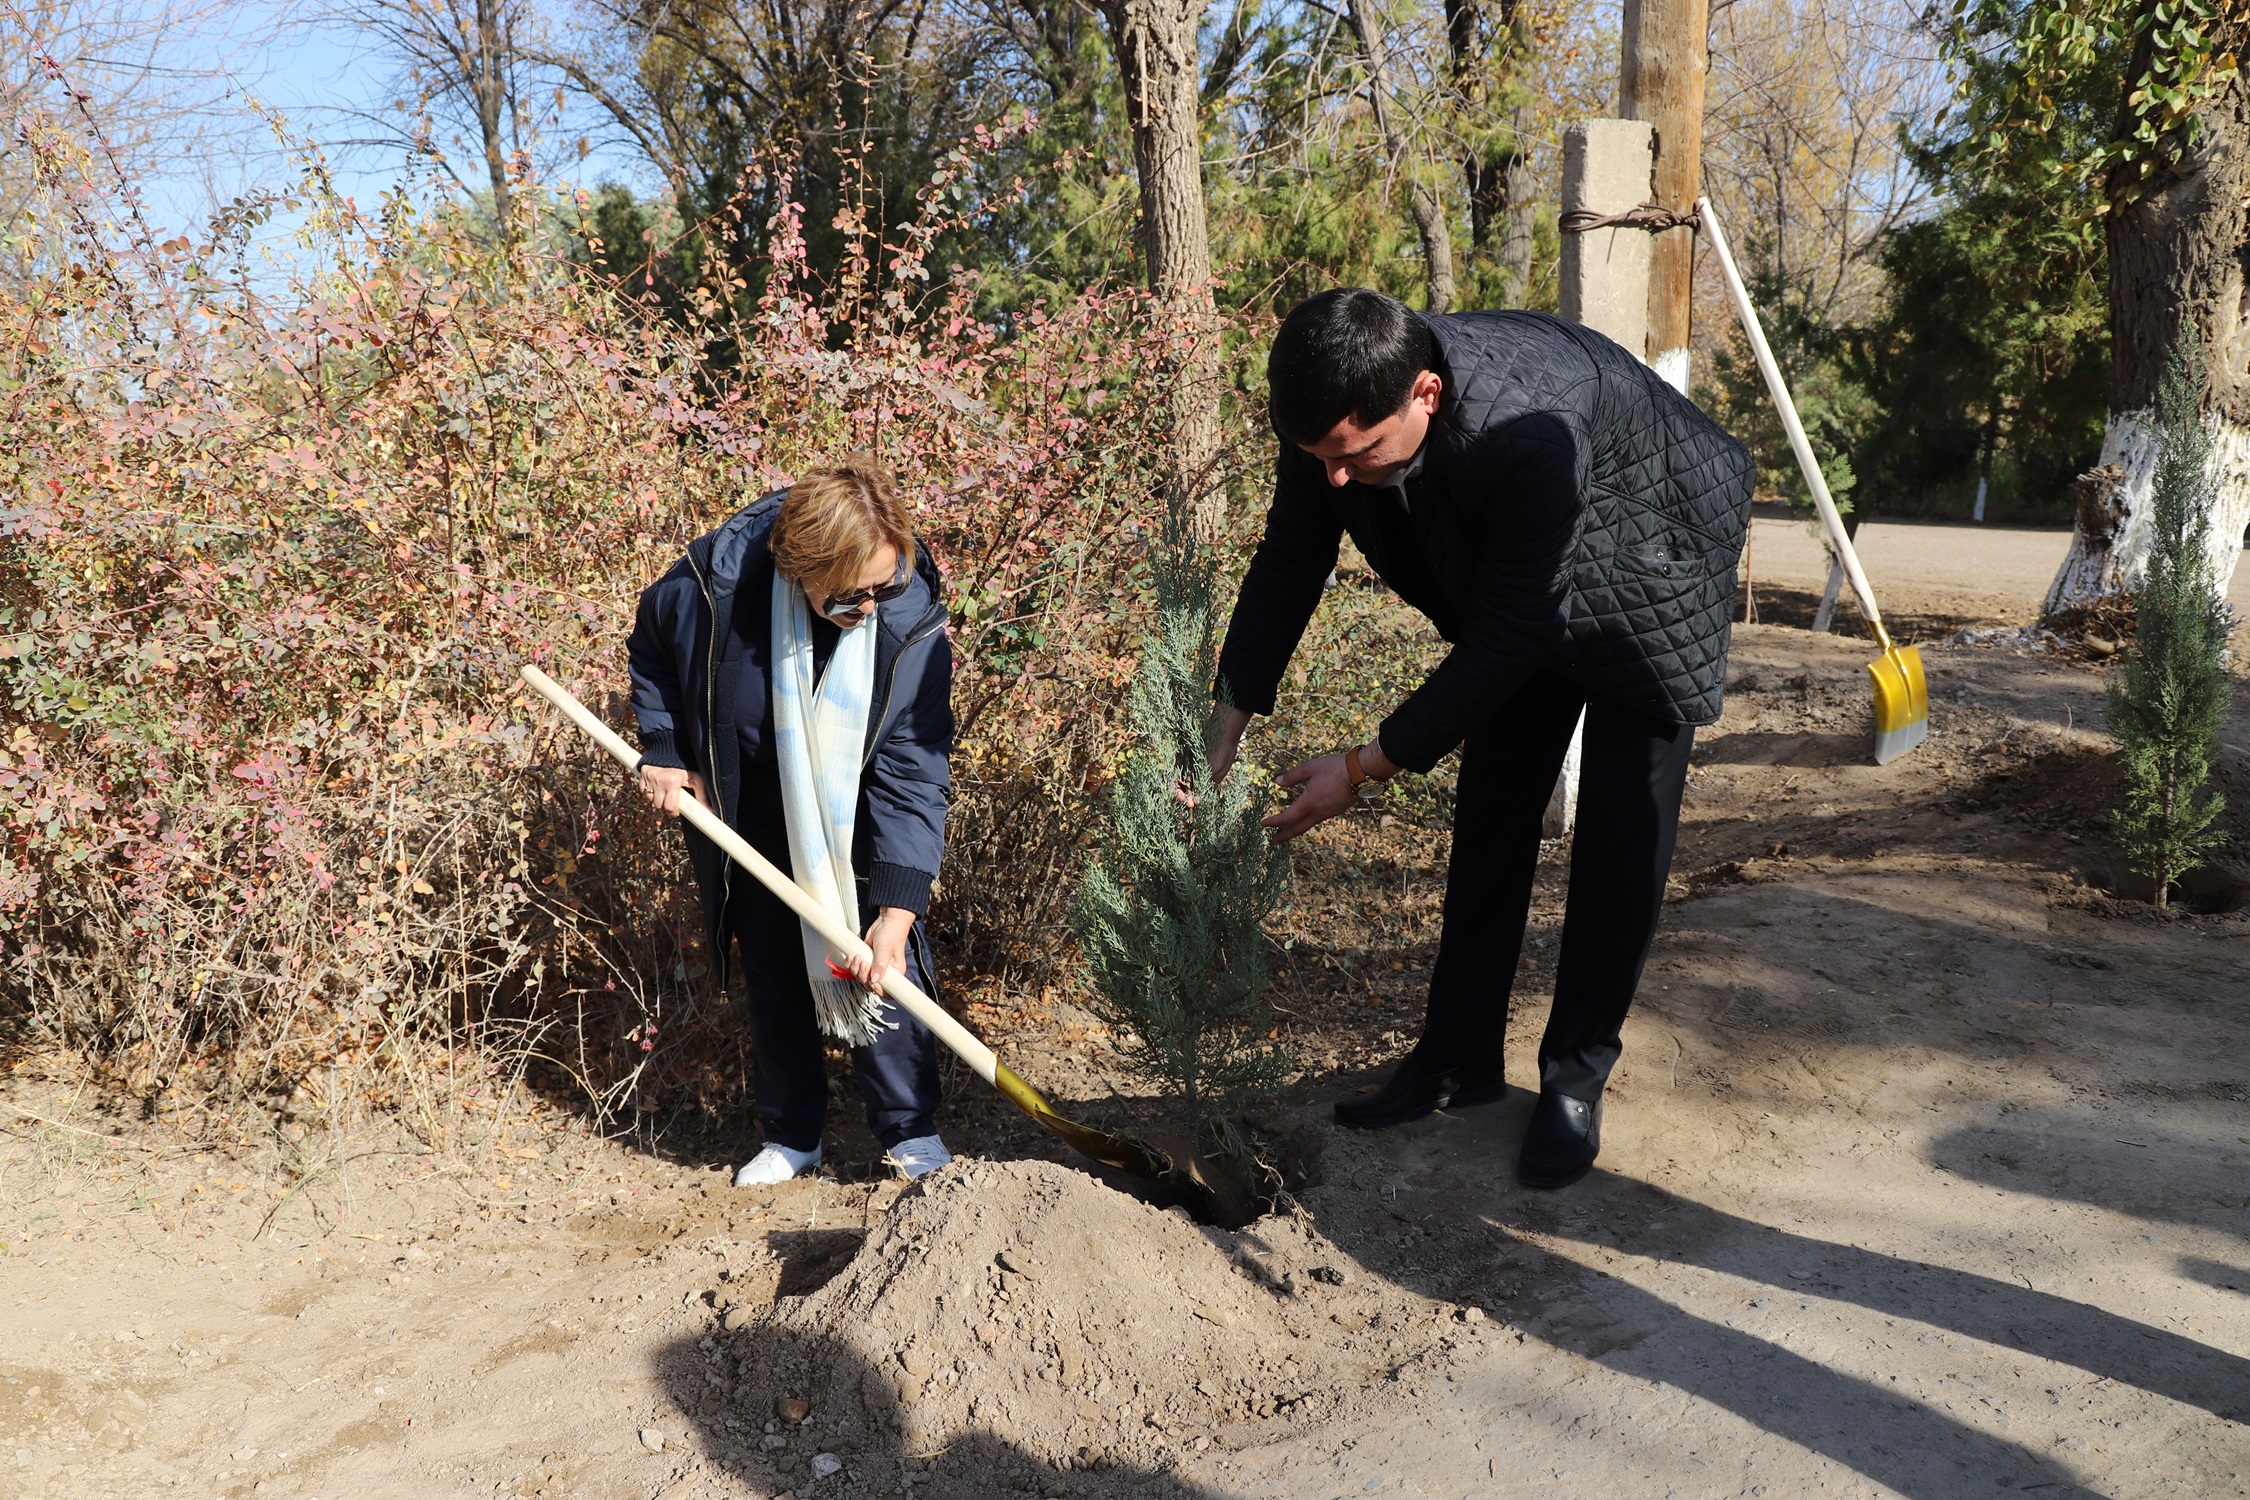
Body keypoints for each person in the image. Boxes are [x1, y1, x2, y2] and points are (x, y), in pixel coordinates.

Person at [1212, 288, 1753, 1188]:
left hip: (1655, 555)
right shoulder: (1335, 418)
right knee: (1493, 812)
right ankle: (1456, 1058)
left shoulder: (1530, 431)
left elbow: (1508, 638)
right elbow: (1289, 556)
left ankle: (1576, 1080)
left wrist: (1359, 767)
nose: (1336, 477)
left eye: (1357, 455)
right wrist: (1225, 719)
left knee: (1622, 837)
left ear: (1424, 394)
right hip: (1533, 570)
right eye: (1320, 458)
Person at [626, 455, 956, 1185]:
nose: (869, 606)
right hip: (747, 808)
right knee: (773, 966)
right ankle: (792, 1135)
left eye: (883, 586)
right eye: (849, 596)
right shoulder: (709, 587)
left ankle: (909, 1131)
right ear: (798, 570)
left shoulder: (906, 619)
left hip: (856, 822)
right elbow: (651, 648)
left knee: (881, 969)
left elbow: (914, 771)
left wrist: (897, 914)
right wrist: (666, 748)